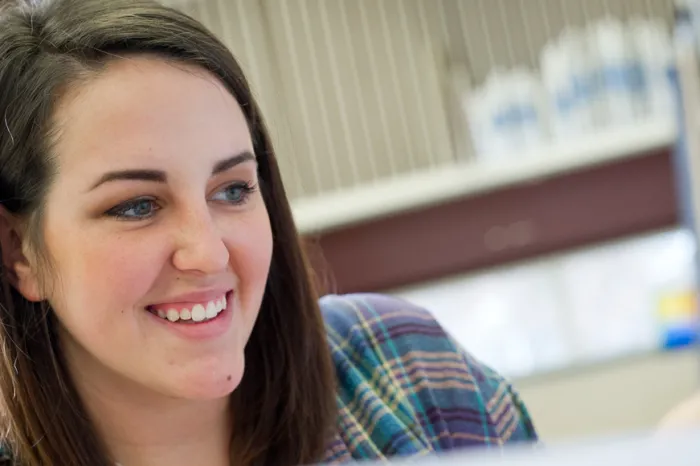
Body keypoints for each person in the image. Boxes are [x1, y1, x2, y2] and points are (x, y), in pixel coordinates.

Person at [0, 0, 537, 464]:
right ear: (18, 249)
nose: (208, 253)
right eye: (138, 206)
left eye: (233, 190)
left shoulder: (406, 369)